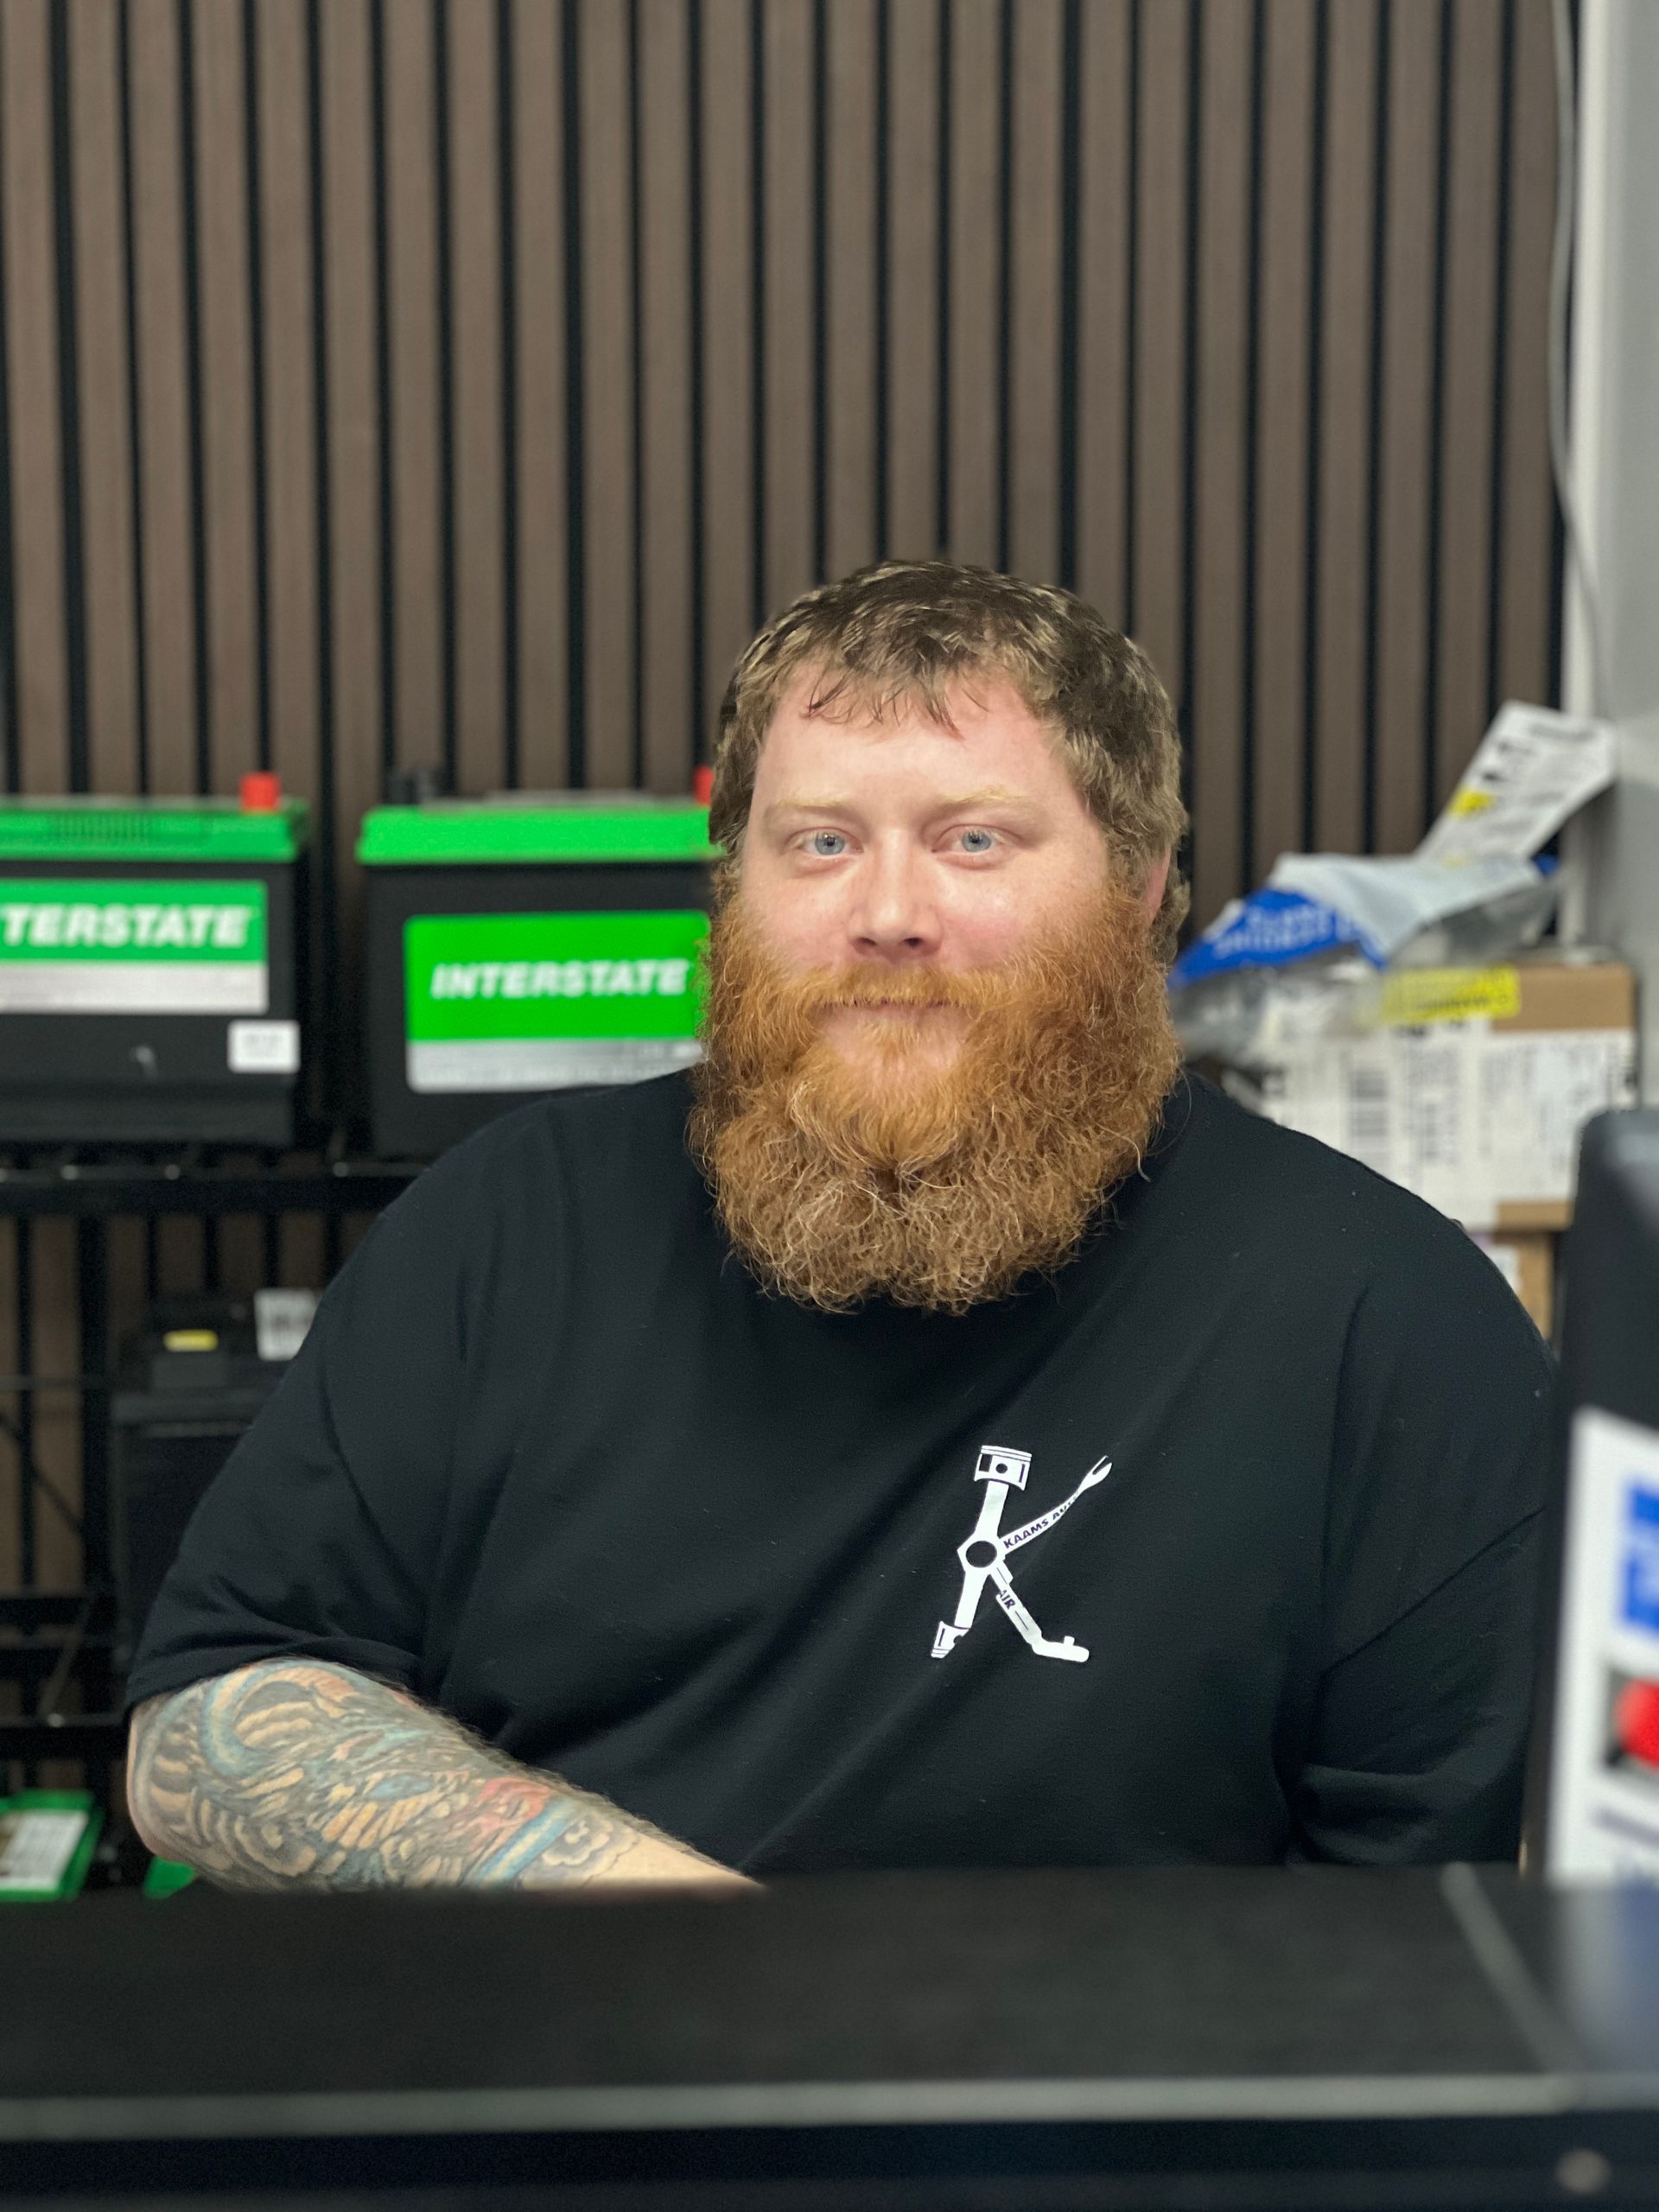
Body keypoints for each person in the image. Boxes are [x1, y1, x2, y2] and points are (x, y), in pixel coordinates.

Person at [126, 560, 1554, 1891]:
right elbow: (204, 1724)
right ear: (731, 891)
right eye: (818, 842)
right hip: (559, 2105)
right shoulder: (510, 1227)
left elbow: (1415, 1938)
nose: (888, 911)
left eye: (974, 839)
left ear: (1144, 893)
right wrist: (679, 1934)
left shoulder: (1388, 1323)